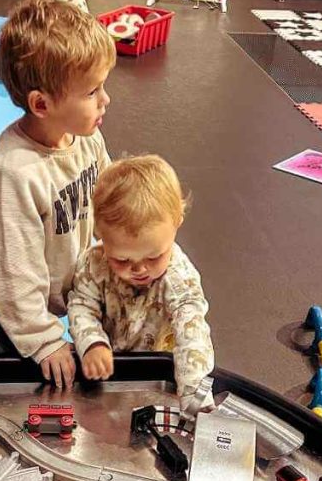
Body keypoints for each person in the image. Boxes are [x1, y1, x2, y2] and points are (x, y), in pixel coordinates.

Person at [0, 0, 116, 388]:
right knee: (17, 389)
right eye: (91, 92)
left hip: (63, 284)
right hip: (12, 309)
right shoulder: (14, 173)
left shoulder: (85, 137)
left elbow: (107, 200)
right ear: (41, 104)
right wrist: (45, 340)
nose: (106, 100)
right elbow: (13, 275)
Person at [67, 155, 214, 411]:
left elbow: (193, 336)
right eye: (122, 259)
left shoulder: (179, 278)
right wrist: (92, 342)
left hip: (159, 369)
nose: (138, 269)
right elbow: (81, 305)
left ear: (177, 222)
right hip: (108, 370)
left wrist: (194, 393)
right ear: (99, 232)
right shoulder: (93, 263)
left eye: (154, 256)